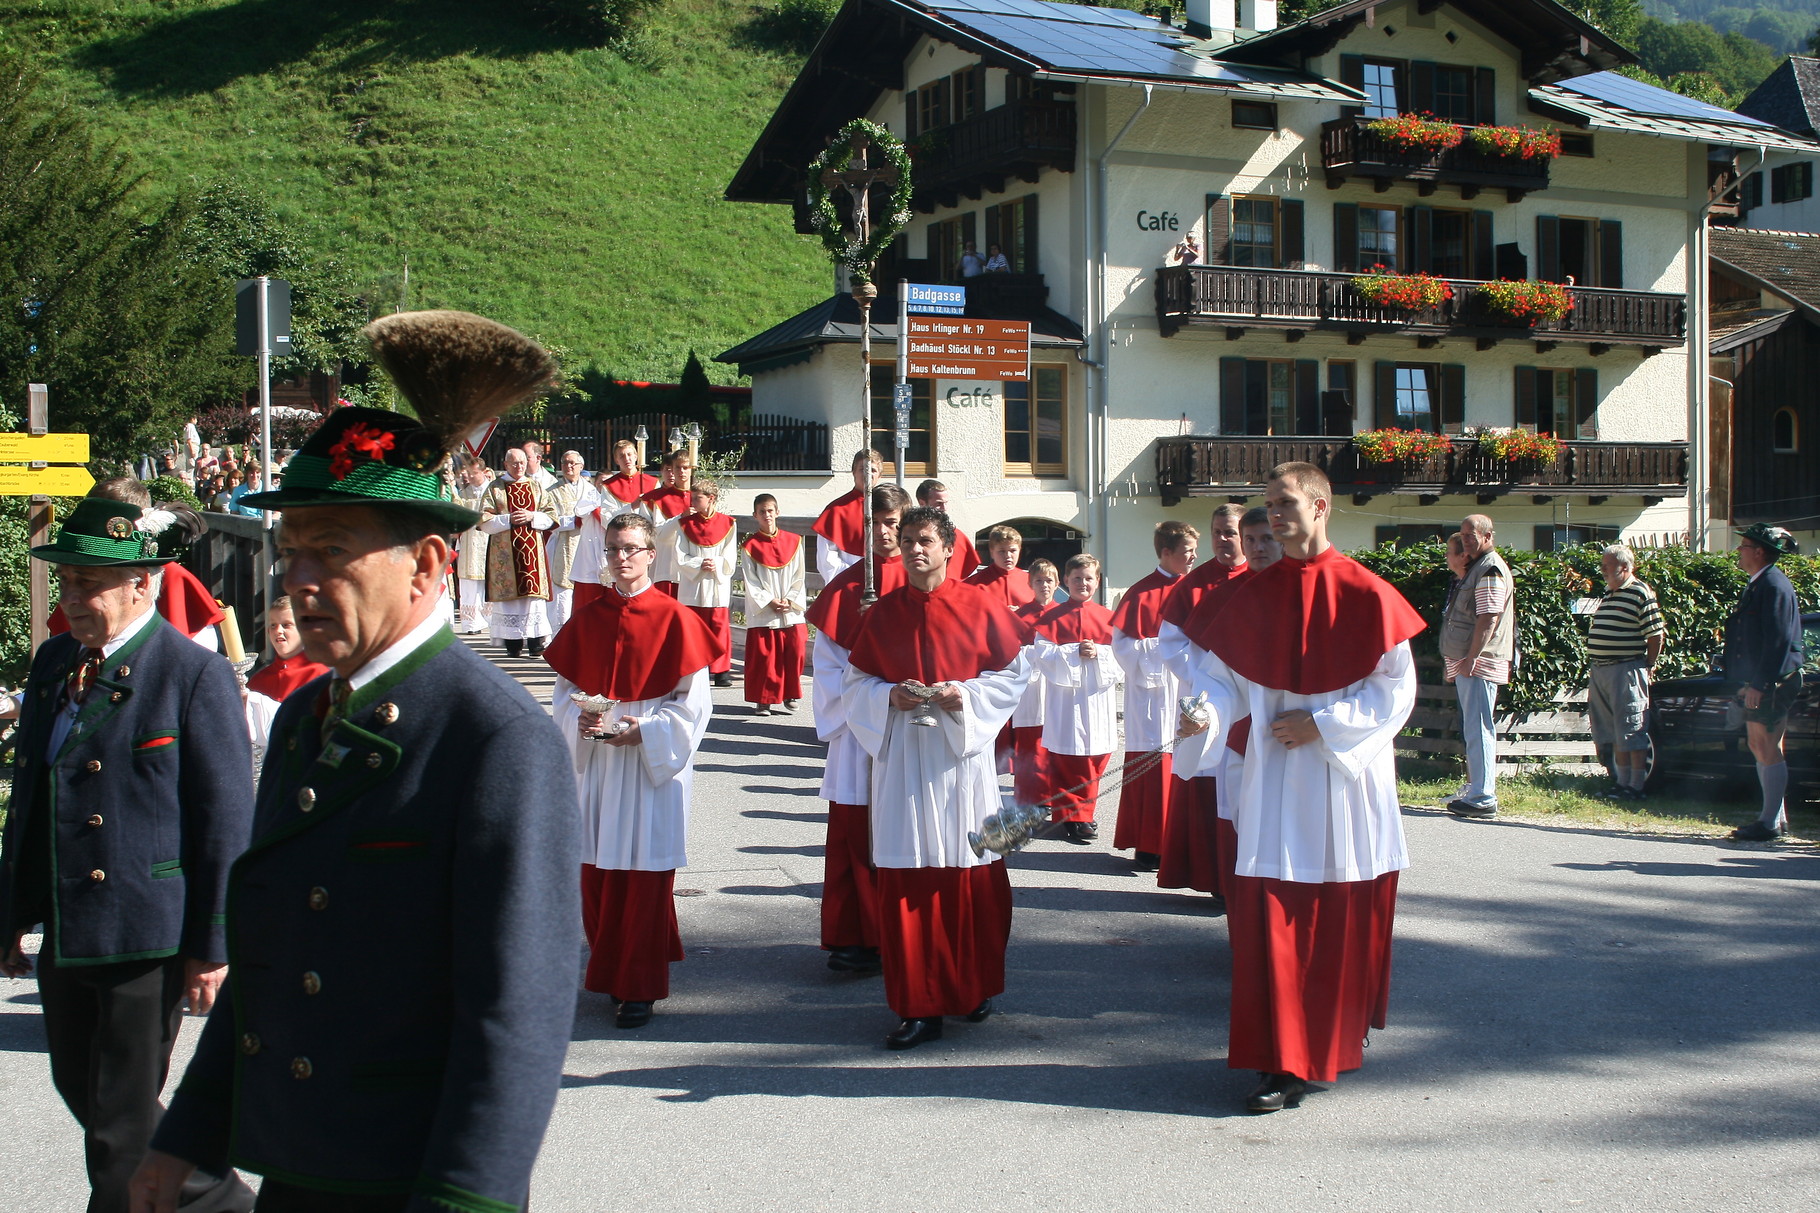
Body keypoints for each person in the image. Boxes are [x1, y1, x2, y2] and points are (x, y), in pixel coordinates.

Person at [132, 313, 580, 1213]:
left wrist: (463, 1200)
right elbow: (267, 960)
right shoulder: (304, 718)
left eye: (331, 549)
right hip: (297, 1168)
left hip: (407, 1181)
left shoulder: (492, 737)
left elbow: (516, 1013)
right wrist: (181, 1139)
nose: (298, 577)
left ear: (426, 565)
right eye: (291, 547)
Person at [0, 500, 256, 1213]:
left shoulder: (190, 674)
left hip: (147, 930)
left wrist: (213, 943)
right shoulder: (55, 664)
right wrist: (10, 915)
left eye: (92, 584)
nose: (75, 599)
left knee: (116, 1126)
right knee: (88, 1092)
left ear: (144, 582)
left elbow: (224, 819)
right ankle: (218, 1199)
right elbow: (30, 800)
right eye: (69, 582)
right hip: (68, 921)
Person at [1176, 462, 1424, 1114]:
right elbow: (1220, 677)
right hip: (1275, 784)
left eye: (1286, 502)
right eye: (1269, 504)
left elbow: (1394, 689)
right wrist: (1201, 710)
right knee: (1273, 922)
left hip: (1342, 784)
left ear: (1321, 506)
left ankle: (1326, 1042)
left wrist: (1322, 723)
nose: (1275, 514)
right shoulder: (1252, 596)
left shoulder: (1367, 592)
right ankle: (1279, 1059)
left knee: (1334, 922)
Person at [843, 506, 1032, 1049]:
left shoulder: (980, 606)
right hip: (903, 754)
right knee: (908, 879)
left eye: (925, 540)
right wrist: (886, 696)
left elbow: (1012, 676)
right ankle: (918, 1005)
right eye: (906, 540)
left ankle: (970, 989)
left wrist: (963, 695)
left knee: (968, 872)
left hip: (960, 757)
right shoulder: (881, 614)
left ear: (949, 548)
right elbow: (853, 685)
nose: (914, 549)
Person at [546, 511, 719, 1029]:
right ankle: (610, 963)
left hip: (650, 766)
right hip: (597, 764)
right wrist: (576, 719)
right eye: (614, 549)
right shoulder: (586, 619)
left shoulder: (675, 618)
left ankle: (638, 987)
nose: (622, 558)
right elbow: (560, 695)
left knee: (643, 876)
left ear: (650, 554)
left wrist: (644, 729)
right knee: (596, 873)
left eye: (631, 549)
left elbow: (694, 706)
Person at [804, 483, 911, 975]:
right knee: (854, 835)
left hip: (914, 731)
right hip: (857, 733)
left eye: (894, 523)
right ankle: (853, 935)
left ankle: (902, 934)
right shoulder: (846, 588)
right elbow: (827, 666)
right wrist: (867, 704)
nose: (886, 533)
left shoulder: (925, 584)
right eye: (876, 523)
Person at [1155, 503, 1248, 897]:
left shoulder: (1262, 577)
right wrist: (1207, 679)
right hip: (1207, 698)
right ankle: (1211, 878)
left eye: (1230, 531)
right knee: (1208, 788)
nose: (1223, 540)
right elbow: (1171, 643)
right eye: (1217, 532)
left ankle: (1244, 879)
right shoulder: (1193, 585)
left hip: (1251, 706)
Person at [48, 478, 228, 653]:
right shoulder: (73, 583)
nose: (68, 599)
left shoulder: (173, 576)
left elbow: (199, 651)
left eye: (88, 581)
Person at [1109, 520, 1198, 869]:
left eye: (1194, 550)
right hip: (1153, 695)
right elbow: (1123, 647)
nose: (1193, 557)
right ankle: (1149, 843)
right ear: (1166, 553)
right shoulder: (1141, 592)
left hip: (1188, 688)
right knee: (1153, 763)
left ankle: (1180, 843)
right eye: (1186, 551)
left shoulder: (1196, 588)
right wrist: (1164, 649)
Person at [1030, 554, 1121, 844]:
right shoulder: (1050, 618)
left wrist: (1100, 653)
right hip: (1066, 701)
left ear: (1097, 581)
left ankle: (1079, 813)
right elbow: (1042, 656)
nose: (1083, 583)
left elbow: (1123, 656)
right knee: (1069, 758)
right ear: (1066, 581)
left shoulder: (1109, 618)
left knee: (1096, 756)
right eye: (1077, 578)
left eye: (1089, 578)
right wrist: (1072, 652)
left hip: (1097, 698)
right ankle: (1078, 818)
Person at [1722, 523, 1805, 841]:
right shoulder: (1761, 583)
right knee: (1763, 746)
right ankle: (1774, 818)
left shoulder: (1773, 584)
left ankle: (1769, 823)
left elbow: (1778, 640)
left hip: (1774, 681)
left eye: (1743, 546)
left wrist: (1760, 683)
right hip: (1766, 679)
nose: (1738, 551)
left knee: (1765, 745)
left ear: (1758, 551)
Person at [1443, 514, 1515, 820]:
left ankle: (1484, 795)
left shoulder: (1490, 569)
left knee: (1480, 726)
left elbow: (1489, 617)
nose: (1467, 540)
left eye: (1471, 535)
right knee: (1474, 727)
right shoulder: (1480, 567)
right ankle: (1478, 790)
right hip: (1473, 660)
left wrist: (1472, 657)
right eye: (1463, 534)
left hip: (1480, 662)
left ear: (1487, 536)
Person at [1586, 544, 1665, 803]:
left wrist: (1648, 665)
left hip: (1626, 668)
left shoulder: (1640, 592)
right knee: (1614, 730)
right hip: (1603, 670)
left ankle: (1636, 785)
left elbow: (1655, 634)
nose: (1603, 570)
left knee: (1631, 727)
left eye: (1607, 566)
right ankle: (1621, 782)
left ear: (1625, 567)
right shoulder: (1611, 594)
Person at [479, 447, 557, 659]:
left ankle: (536, 642)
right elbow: (483, 520)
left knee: (533, 599)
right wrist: (507, 519)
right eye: (514, 463)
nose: (519, 467)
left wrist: (533, 516)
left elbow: (551, 516)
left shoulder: (536, 486)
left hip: (533, 554)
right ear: (505, 465)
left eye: (522, 462)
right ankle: (512, 643)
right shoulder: (495, 488)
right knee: (510, 599)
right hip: (505, 554)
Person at [664, 478, 737, 687]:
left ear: (711, 499)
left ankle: (721, 670)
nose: (692, 502)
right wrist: (698, 563)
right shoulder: (684, 524)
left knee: (719, 625)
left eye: (697, 498)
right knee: (694, 626)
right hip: (693, 583)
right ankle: (696, 665)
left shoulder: (728, 523)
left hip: (716, 582)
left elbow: (730, 555)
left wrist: (717, 563)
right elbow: (680, 555)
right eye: (692, 497)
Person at [740, 494, 807, 715]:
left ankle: (789, 693)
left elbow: (799, 576)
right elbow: (751, 580)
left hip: (790, 608)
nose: (767, 515)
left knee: (794, 651)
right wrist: (769, 601)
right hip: (765, 611)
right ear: (755, 515)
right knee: (765, 657)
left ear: (777, 512)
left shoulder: (795, 541)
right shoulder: (750, 546)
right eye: (762, 512)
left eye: (770, 511)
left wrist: (790, 599)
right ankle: (764, 699)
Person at [1011, 559, 1060, 808]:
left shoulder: (1063, 613)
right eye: (1039, 580)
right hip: (1030, 687)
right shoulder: (1021, 615)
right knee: (1031, 741)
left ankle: (1054, 791)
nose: (1044, 585)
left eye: (1049, 580)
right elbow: (1011, 651)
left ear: (1057, 584)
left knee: (1056, 739)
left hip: (1057, 685)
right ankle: (1031, 796)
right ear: (1030, 583)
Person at [544, 449, 600, 633]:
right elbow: (548, 520)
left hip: (586, 543)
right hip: (561, 544)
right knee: (561, 593)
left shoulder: (591, 490)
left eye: (573, 463)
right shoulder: (551, 491)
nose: (569, 466)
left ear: (581, 466)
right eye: (565, 462)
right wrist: (573, 521)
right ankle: (559, 634)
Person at [812, 449, 881, 587]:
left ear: (880, 475)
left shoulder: (888, 509)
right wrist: (857, 577)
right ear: (853, 472)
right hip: (848, 583)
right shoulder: (835, 510)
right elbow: (826, 560)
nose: (868, 474)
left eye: (873, 470)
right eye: (863, 469)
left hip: (883, 581)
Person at [640, 451, 694, 595]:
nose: (681, 471)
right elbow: (654, 536)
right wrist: (681, 517)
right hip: (665, 567)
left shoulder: (700, 497)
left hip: (693, 571)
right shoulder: (654, 500)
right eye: (677, 467)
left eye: (686, 467)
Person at [454, 459, 492, 634]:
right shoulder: (463, 493)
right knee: (469, 583)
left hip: (489, 540)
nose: (469, 476)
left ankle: (491, 621)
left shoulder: (493, 490)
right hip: (469, 542)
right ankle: (472, 624)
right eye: (468, 473)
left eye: (473, 473)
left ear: (483, 472)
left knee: (491, 581)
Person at [914, 479, 979, 576]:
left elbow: (971, 576)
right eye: (939, 504)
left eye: (946, 503)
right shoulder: (910, 535)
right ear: (922, 503)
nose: (944, 508)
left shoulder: (957, 536)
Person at [964, 525, 1034, 610]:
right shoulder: (973, 584)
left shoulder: (1033, 582)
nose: (1008, 556)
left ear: (1019, 550)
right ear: (992, 551)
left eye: (1013, 551)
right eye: (1002, 551)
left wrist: (1022, 613)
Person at [600, 438, 657, 507]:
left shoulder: (653, 483)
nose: (626, 459)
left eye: (629, 454)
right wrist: (632, 507)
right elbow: (607, 514)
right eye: (622, 456)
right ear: (616, 460)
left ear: (635, 456)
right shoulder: (608, 486)